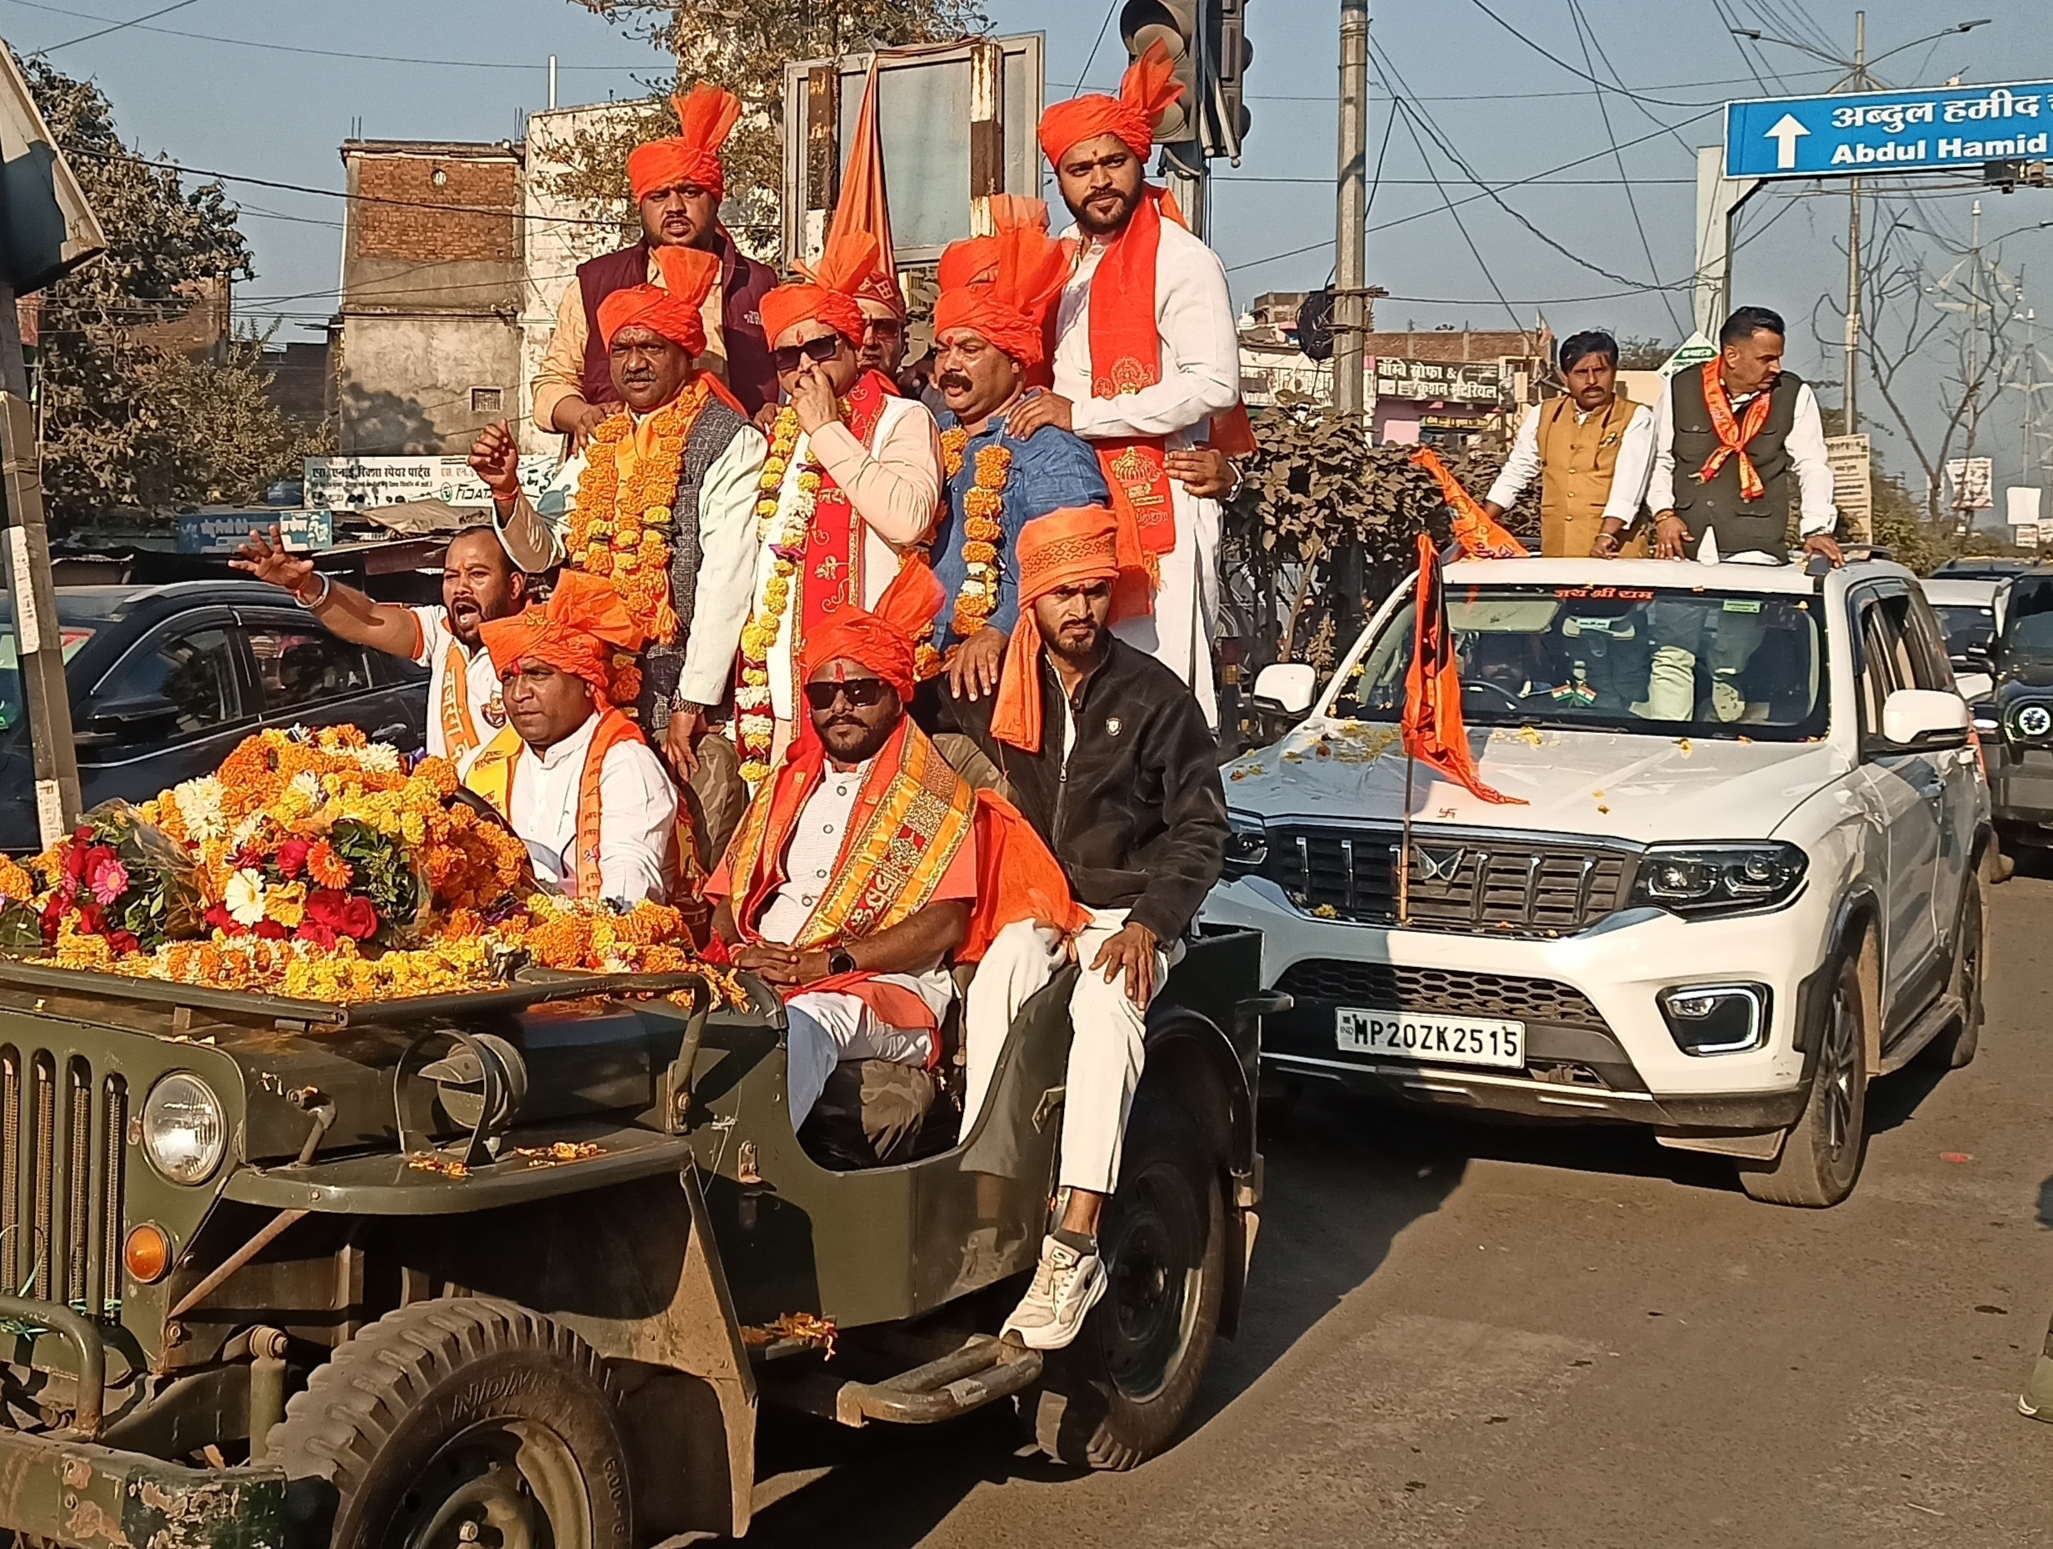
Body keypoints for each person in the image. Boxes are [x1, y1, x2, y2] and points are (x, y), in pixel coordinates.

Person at [937, 506, 1227, 1351]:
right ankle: (986, 1194)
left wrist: (1151, 922)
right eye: (1063, 592)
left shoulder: (1155, 697)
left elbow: (1201, 827)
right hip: (1041, 906)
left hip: (1129, 915)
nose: (1082, 609)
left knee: (1108, 1001)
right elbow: (903, 707)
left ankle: (1073, 1241)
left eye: (1095, 590)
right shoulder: (1001, 684)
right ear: (1031, 601)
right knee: (1001, 975)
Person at [473, 242, 765, 841]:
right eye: (622, 350)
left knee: (692, 839)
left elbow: (725, 579)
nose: (633, 363)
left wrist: (694, 699)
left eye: (650, 347)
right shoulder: (602, 440)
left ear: (685, 356)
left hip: (686, 696)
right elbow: (549, 553)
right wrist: (507, 494)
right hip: (600, 688)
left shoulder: (726, 437)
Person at [1015, 41, 1242, 728]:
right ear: (1059, 180)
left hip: (1161, 495)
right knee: (1083, 696)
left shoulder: (1180, 259)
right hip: (1073, 495)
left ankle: (1181, 831)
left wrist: (1080, 414)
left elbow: (1212, 383)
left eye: (1113, 161)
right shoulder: (1060, 263)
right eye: (1079, 168)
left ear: (1140, 161)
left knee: (1162, 690)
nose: (1098, 180)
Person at [707, 563, 979, 1130]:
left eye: (860, 690)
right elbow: (726, 901)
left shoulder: (935, 792)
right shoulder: (788, 782)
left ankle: (749, 1174)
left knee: (799, 1024)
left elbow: (946, 922)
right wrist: (738, 954)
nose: (840, 706)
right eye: (824, 692)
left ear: (896, 693)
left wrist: (827, 964)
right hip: (761, 973)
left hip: (877, 991)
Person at [736, 224, 944, 782]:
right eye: (787, 357)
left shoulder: (903, 419)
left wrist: (828, 430)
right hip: (785, 694)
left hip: (867, 695)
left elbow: (907, 517)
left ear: (855, 348)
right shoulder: (780, 437)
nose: (805, 367)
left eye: (821, 348)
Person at [928, 201, 1111, 699]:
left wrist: (998, 629)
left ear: (1015, 364)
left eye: (970, 350)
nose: (950, 365)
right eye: (944, 349)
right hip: (927, 665)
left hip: (1006, 672)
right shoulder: (934, 432)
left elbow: (1068, 569)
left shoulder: (1048, 444)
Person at [532, 83, 778, 440]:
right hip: (617, 468)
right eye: (659, 196)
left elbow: (796, 375)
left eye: (691, 192)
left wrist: (777, 410)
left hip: (735, 464)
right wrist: (583, 416)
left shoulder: (757, 284)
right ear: (641, 207)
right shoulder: (598, 283)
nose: (675, 207)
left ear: (715, 200)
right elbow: (551, 384)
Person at [232, 524, 527, 772]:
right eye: (451, 576)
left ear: (514, 585)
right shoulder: (442, 631)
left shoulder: (542, 650)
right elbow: (367, 619)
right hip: (458, 820)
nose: (460, 587)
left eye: (477, 575)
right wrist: (306, 585)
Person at [466, 572, 681, 906]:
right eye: (508, 678)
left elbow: (629, 874)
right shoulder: (478, 764)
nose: (519, 693)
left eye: (538, 674)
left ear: (587, 684)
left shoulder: (625, 765)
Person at [1641, 305, 1842, 567]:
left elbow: (1812, 466)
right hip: (1685, 549)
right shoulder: (1681, 388)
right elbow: (1661, 459)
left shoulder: (1793, 394)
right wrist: (1663, 514)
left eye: (1779, 358)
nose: (1776, 368)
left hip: (1756, 552)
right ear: (1732, 355)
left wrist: (1816, 529)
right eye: (1766, 359)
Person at [1480, 330, 1655, 558]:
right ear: (1565, 377)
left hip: (1615, 552)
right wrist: (1479, 524)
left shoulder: (1636, 416)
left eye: (1600, 371)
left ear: (1614, 371)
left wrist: (1607, 535)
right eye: (1581, 373)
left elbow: (1629, 486)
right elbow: (1516, 474)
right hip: (1558, 551)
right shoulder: (1543, 414)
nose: (1592, 381)